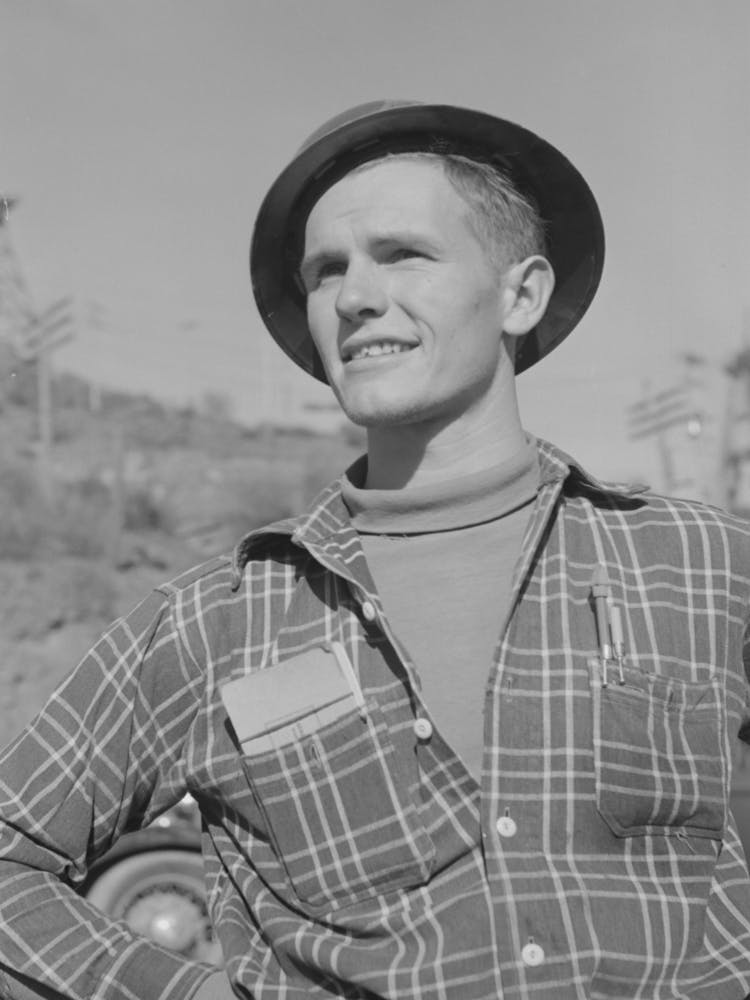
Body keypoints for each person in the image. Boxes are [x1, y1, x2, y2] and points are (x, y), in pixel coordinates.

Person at [1, 100, 750, 1000]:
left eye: (403, 254)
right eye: (326, 271)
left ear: (521, 295)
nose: (354, 297)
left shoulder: (708, 564)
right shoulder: (215, 622)